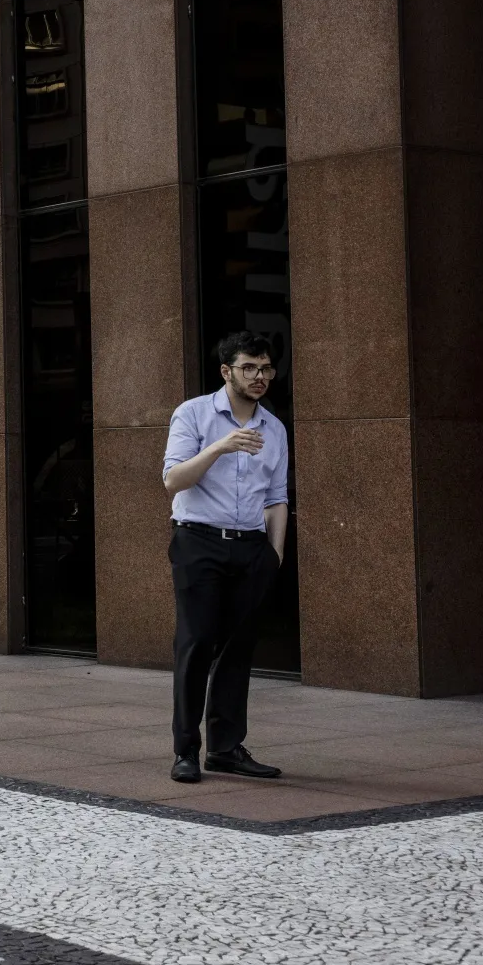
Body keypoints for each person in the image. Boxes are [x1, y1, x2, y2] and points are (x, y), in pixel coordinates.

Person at [161, 331, 290, 785]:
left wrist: (274, 555)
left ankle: (226, 748)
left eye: (266, 368)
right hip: (199, 542)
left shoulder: (274, 429)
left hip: (252, 548)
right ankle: (185, 750)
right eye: (249, 367)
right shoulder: (193, 413)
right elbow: (173, 480)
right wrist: (220, 446)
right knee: (196, 643)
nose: (259, 376)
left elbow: (276, 497)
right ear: (226, 371)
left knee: (238, 648)